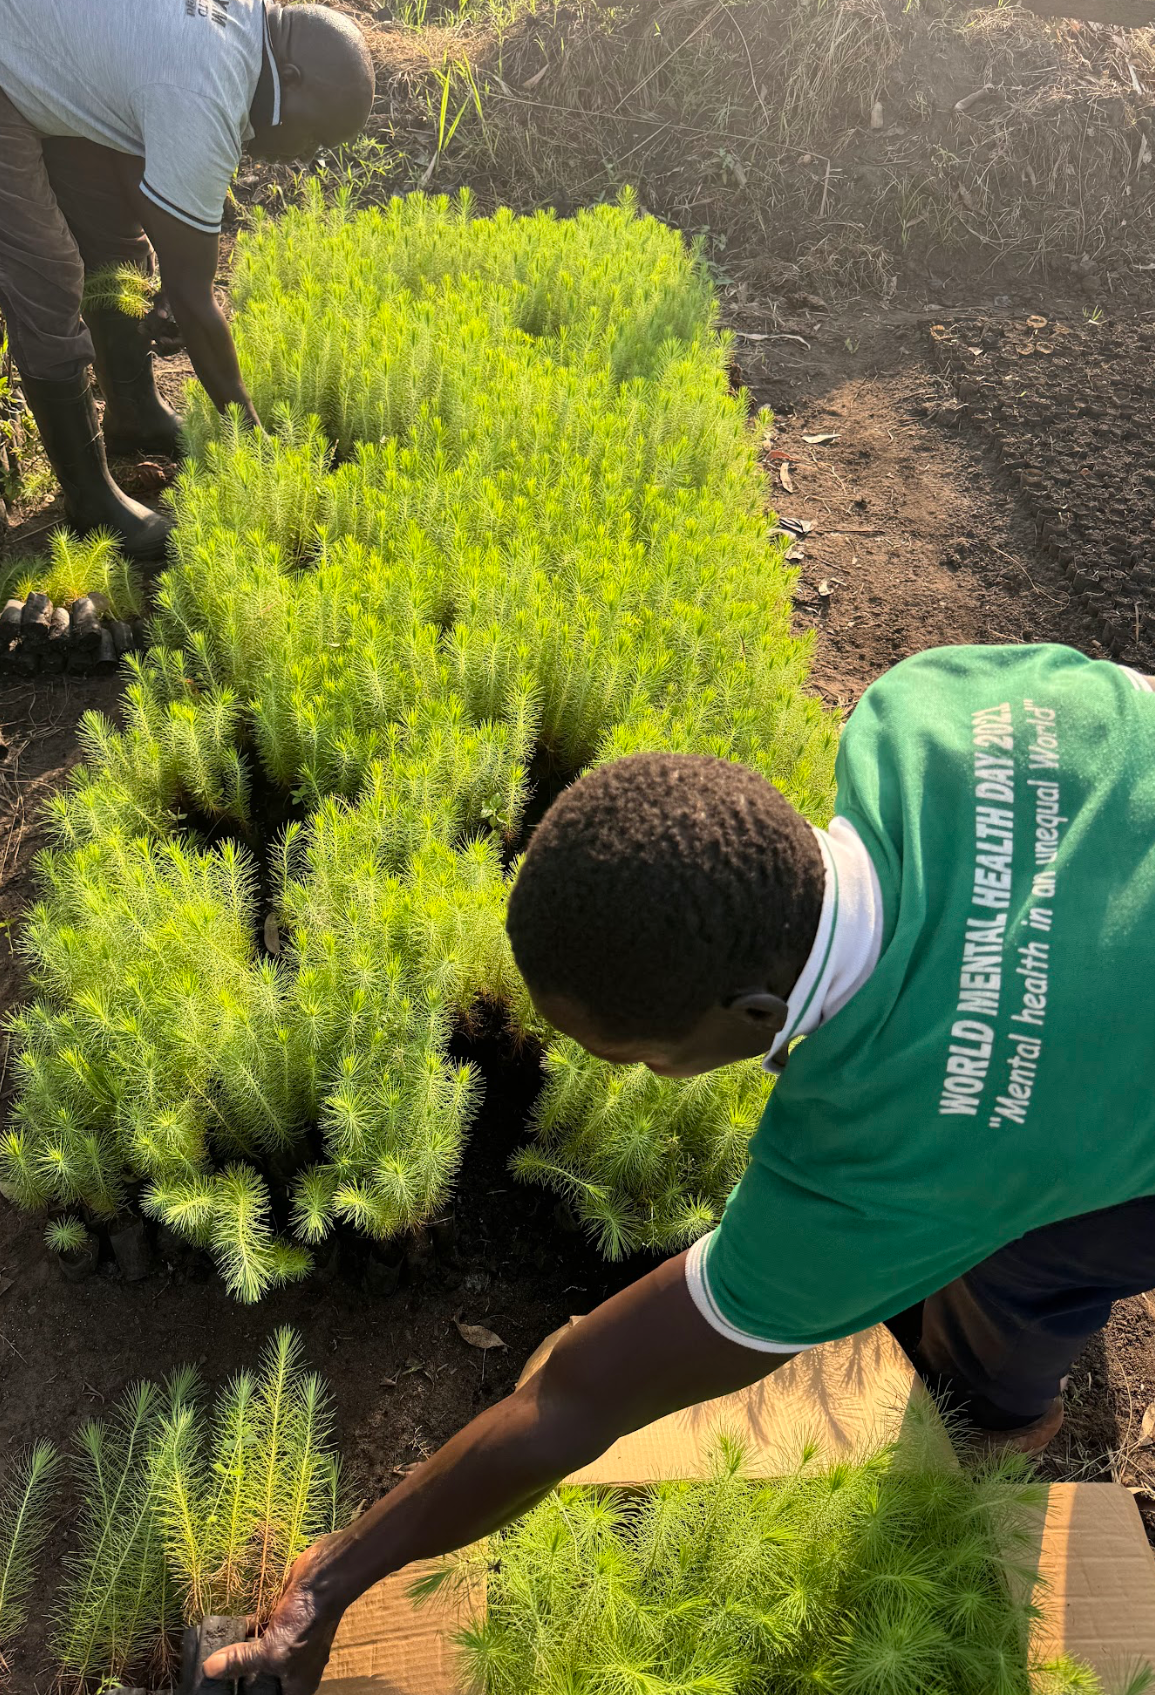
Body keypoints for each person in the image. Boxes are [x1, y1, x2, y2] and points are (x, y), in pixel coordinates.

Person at [203, 640, 1155, 1691]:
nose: (643, 1078)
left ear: (752, 1015)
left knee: (1043, 1253)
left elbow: (573, 1402)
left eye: (642, 1057)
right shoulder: (930, 706)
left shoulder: (877, 1167)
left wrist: (325, 1586)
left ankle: (998, 1412)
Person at [0, 0, 374, 558]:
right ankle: (90, 502)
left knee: (109, 229)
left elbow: (135, 141)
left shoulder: (249, 1)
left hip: (13, 1)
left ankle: (132, 412)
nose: (300, 156)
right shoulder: (206, 87)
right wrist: (252, 442)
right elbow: (192, 297)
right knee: (43, 271)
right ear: (289, 75)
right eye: (313, 139)